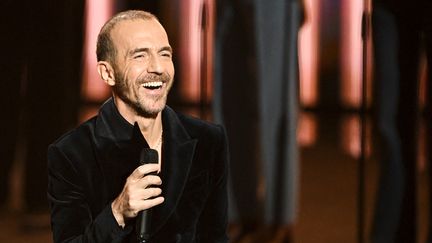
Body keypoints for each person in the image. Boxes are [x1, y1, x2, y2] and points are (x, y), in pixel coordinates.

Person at [47, 10, 229, 243]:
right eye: (140, 56)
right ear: (107, 72)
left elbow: (216, 237)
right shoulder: (71, 153)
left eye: (164, 54)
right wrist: (117, 214)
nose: (158, 68)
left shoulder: (208, 140)